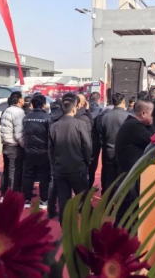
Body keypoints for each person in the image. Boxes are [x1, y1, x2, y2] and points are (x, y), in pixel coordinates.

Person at [49, 94, 91, 224]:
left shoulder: (54, 126)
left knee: (63, 200)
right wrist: (87, 161)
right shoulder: (80, 124)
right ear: (74, 109)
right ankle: (88, 223)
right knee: (83, 198)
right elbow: (87, 145)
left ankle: (65, 225)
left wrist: (54, 164)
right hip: (77, 167)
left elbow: (50, 149)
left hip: (61, 168)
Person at [115, 99, 155, 220]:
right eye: (152, 114)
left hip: (128, 176)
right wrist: (153, 124)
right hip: (130, 178)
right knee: (127, 217)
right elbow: (154, 141)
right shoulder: (134, 126)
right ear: (143, 113)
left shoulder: (131, 123)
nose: (154, 117)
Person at [21, 94, 51, 209]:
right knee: (44, 176)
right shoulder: (47, 118)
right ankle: (44, 200)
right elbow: (50, 136)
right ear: (44, 105)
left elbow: (23, 133)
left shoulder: (26, 117)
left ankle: (27, 200)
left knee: (28, 174)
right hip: (43, 152)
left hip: (29, 151)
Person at [100, 93, 129, 194]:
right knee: (123, 177)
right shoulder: (128, 116)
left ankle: (107, 200)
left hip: (109, 150)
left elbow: (102, 134)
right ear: (123, 102)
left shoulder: (105, 116)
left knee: (110, 177)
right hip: (124, 151)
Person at [0, 91, 26, 195]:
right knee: (14, 172)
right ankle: (12, 195)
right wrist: (24, 145)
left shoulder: (7, 110)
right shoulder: (18, 112)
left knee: (6, 171)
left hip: (6, 144)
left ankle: (4, 193)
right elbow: (19, 133)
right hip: (15, 146)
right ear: (19, 100)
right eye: (22, 98)